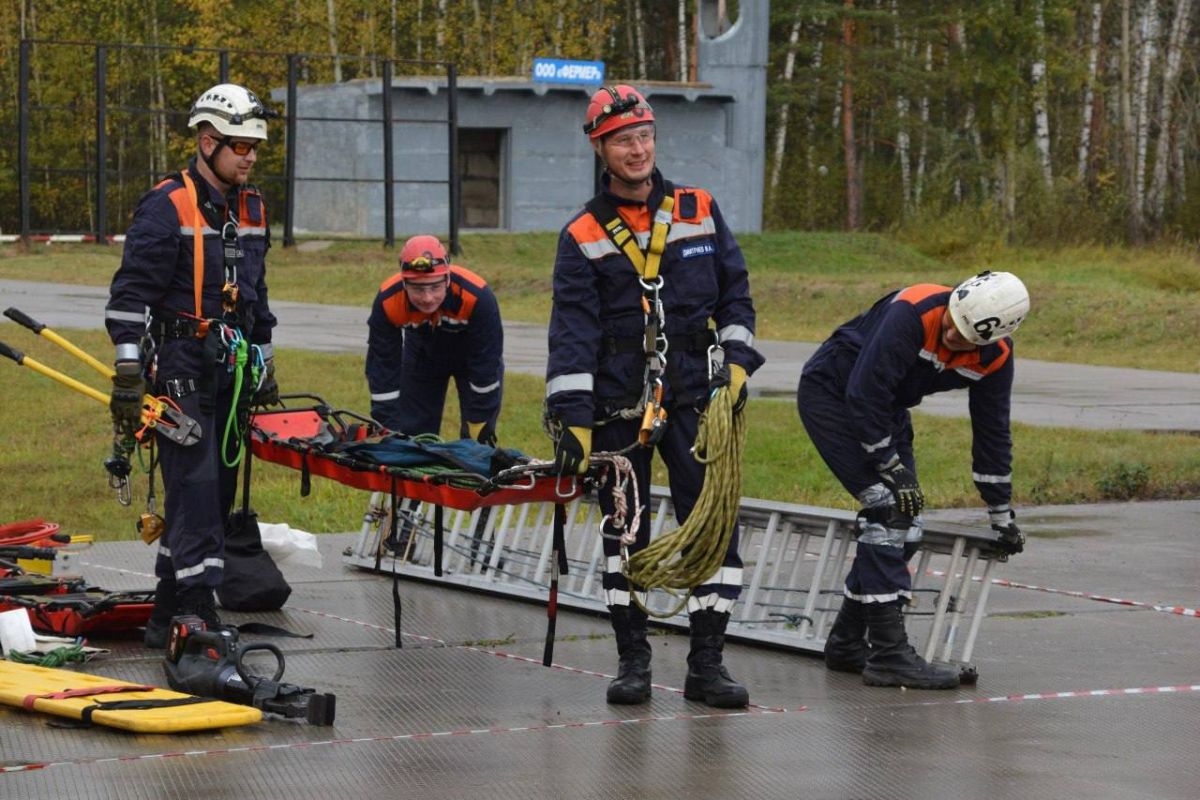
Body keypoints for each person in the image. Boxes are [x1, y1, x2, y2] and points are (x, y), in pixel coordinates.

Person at [545, 85, 765, 709]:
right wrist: (574, 422)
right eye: (622, 141)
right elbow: (572, 333)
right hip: (620, 404)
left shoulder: (700, 208)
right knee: (626, 531)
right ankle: (634, 664)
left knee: (714, 525)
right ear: (601, 149)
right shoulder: (583, 234)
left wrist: (740, 362)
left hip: (699, 399)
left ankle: (707, 665)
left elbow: (736, 297)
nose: (637, 149)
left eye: (643, 136)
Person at [105, 83, 279, 647]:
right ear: (207, 142)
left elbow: (256, 291)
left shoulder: (251, 207)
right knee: (197, 490)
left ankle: (164, 614)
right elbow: (130, 296)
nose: (249, 156)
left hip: (232, 366)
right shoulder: (167, 205)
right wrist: (130, 371)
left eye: (255, 146)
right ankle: (199, 609)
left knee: (215, 490)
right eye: (239, 146)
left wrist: (265, 359)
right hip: (180, 364)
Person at [796, 271, 1030, 690]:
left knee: (908, 523)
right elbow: (864, 393)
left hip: (885, 411)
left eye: (964, 338)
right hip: (833, 392)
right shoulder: (914, 311)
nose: (951, 336)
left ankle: (848, 643)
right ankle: (888, 655)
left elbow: (993, 433)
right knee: (888, 511)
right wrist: (891, 467)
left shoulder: (994, 358)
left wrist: (1001, 514)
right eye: (952, 323)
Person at [366, 234, 504, 445]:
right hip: (423, 354)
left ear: (447, 279)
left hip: (472, 357)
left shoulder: (478, 297)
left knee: (477, 440)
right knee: (412, 437)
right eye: (418, 289)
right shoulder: (388, 301)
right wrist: (388, 429)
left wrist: (480, 425)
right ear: (404, 283)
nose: (427, 298)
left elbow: (487, 367)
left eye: (435, 287)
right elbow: (383, 369)